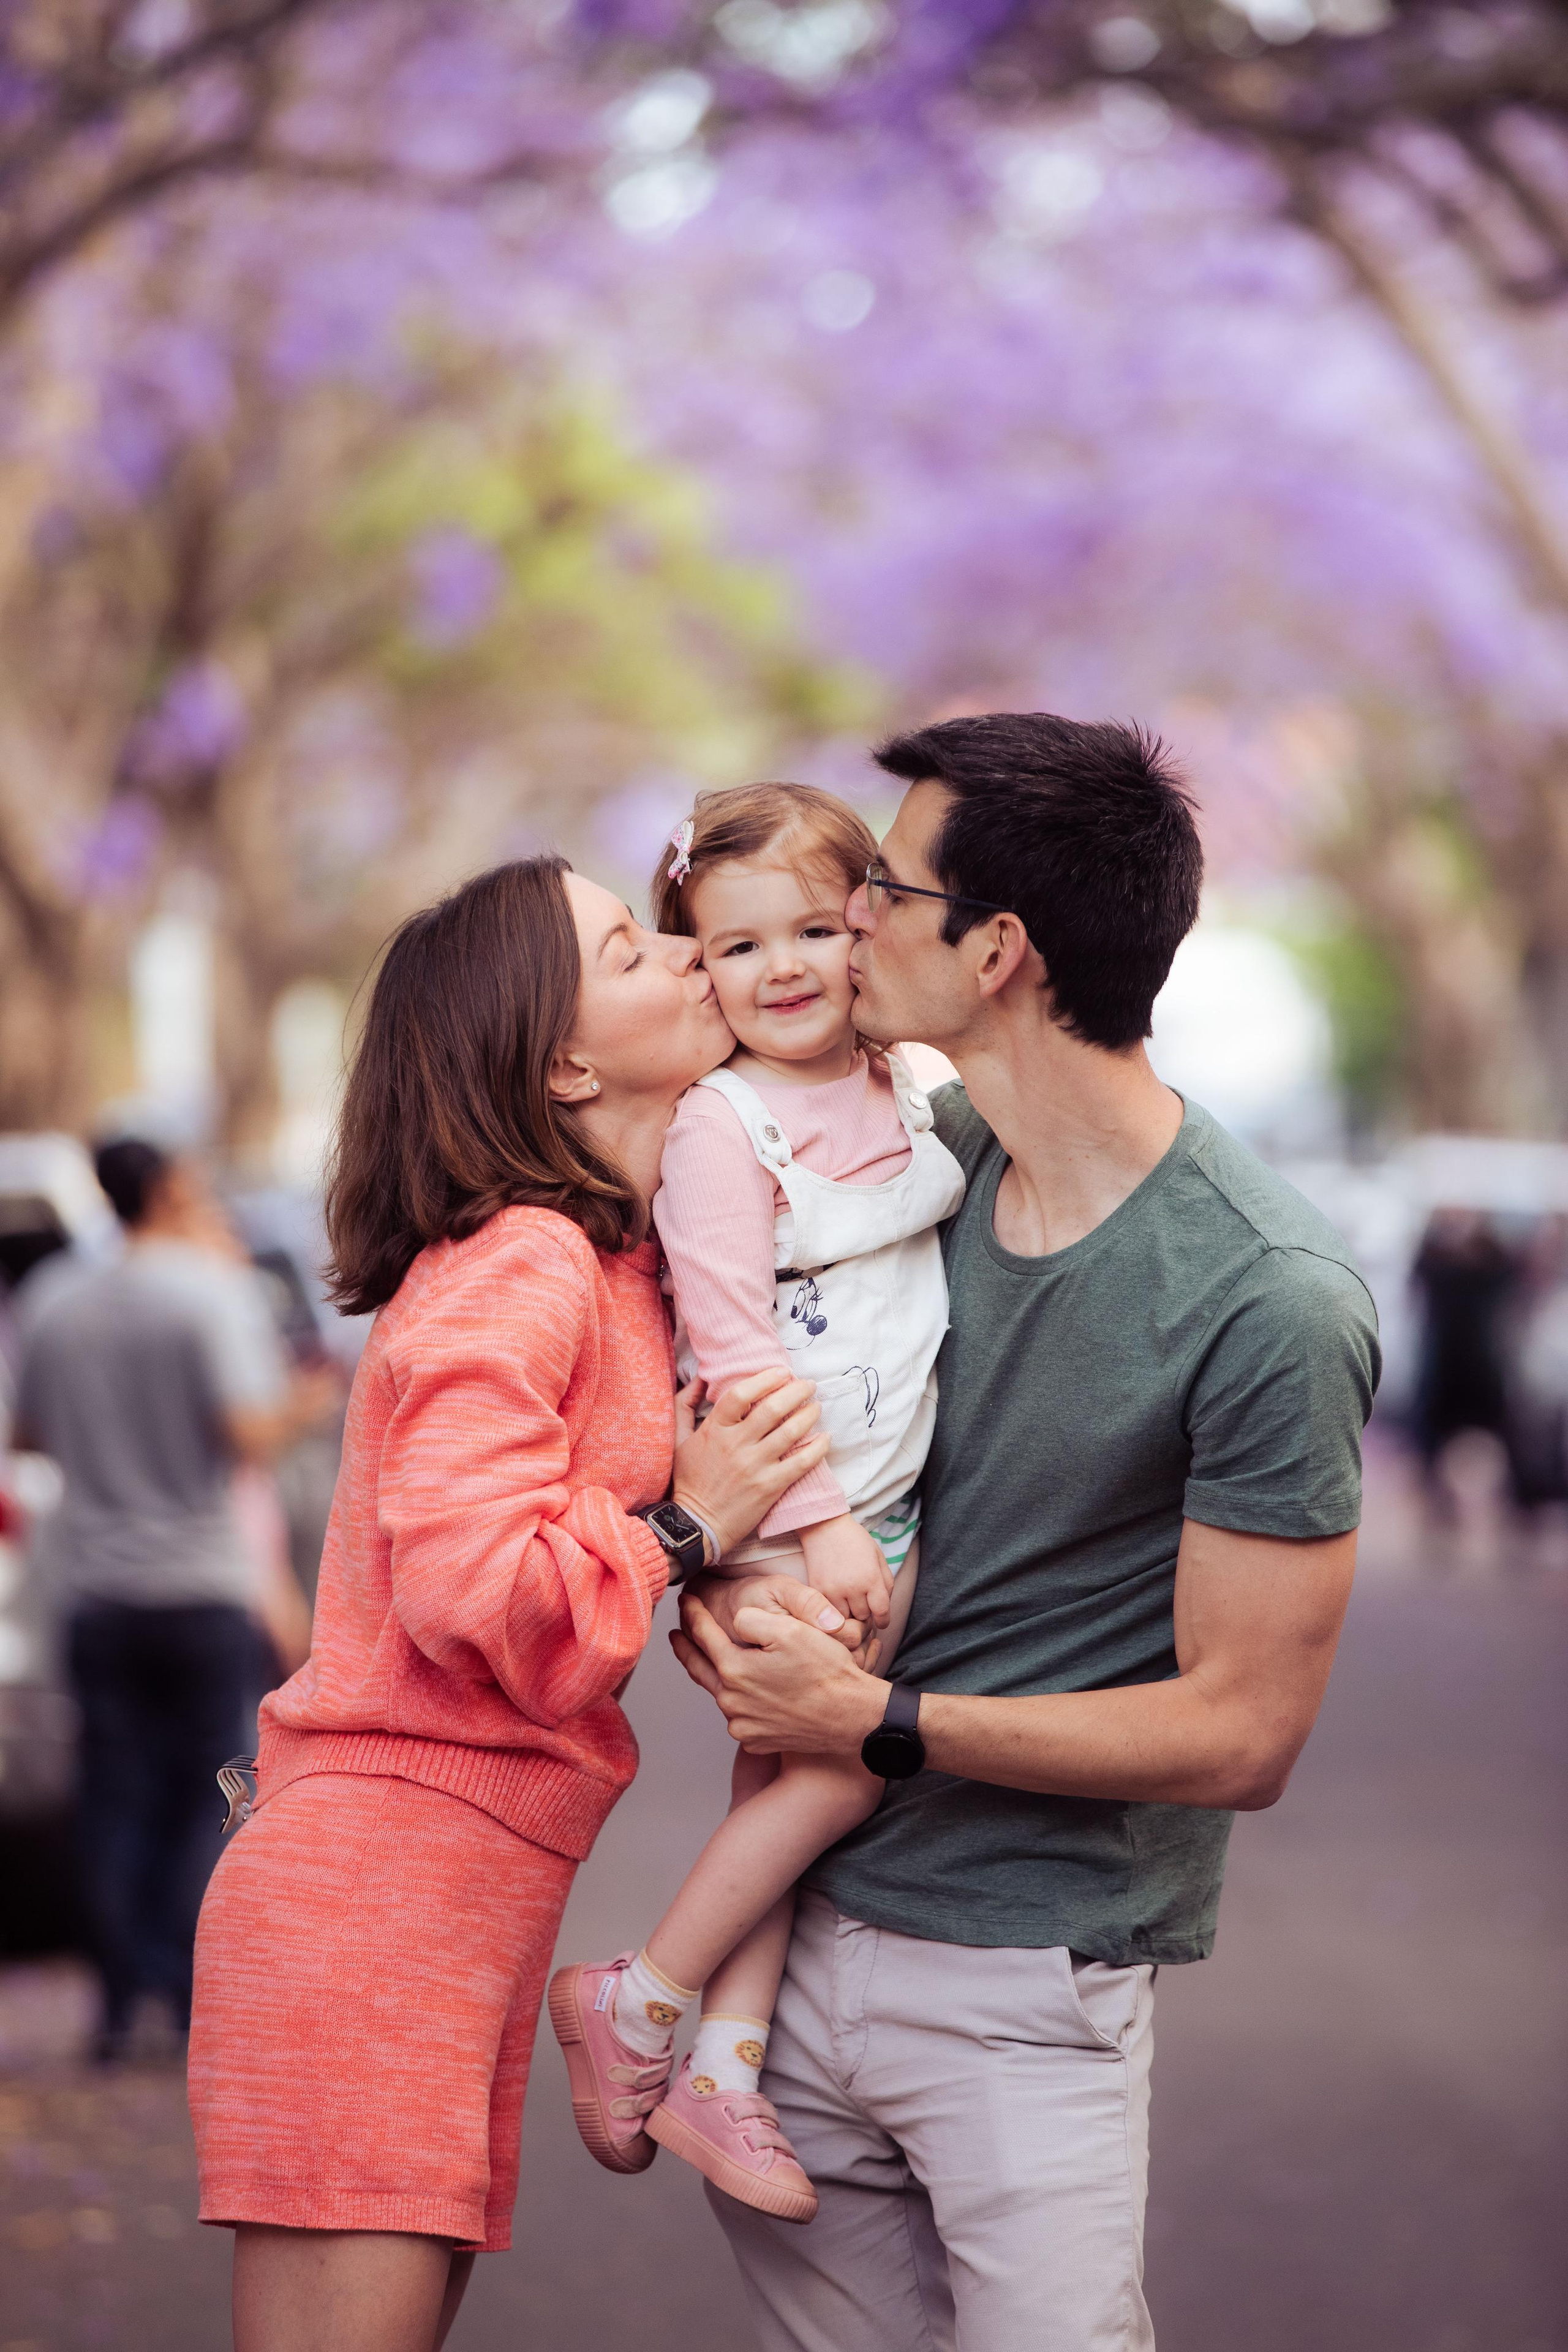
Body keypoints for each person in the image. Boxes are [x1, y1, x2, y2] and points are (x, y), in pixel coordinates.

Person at [674, 712, 1382, 2352]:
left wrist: (879, 1720)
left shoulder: (1268, 1298)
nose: (847, 917)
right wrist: (706, 1569)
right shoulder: (910, 1165)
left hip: (1021, 1982)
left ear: (994, 951)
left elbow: (1243, 1732)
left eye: (884, 890)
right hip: (784, 1959)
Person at [186, 855, 854, 2352]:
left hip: (450, 1892)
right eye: (629, 950)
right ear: (563, 1065)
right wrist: (686, 1524)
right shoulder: (520, 1262)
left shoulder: (619, 1266)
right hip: (372, 1895)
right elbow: (470, 1584)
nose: (685, 956)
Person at [550, 784, 963, 2223]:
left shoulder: (907, 1081)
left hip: (886, 1505)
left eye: (809, 930)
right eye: (734, 947)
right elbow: (730, 1343)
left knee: (784, 1788)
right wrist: (827, 1522)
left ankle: (723, 2070)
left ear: (867, 928)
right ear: (700, 966)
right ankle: (639, 1999)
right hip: (796, 1511)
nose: (780, 968)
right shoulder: (723, 1126)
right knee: (849, 1768)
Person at [13, 1138, 335, 2062]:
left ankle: (119, 2000)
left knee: (113, 1795)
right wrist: (307, 1402)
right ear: (160, 1192)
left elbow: (27, 1434)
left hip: (94, 1587)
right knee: (210, 1792)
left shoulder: (52, 1298)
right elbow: (246, 1432)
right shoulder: (208, 1292)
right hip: (201, 1583)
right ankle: (197, 1994)